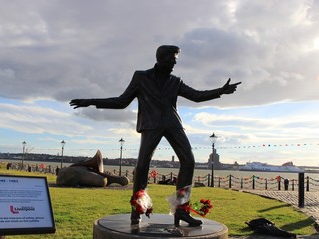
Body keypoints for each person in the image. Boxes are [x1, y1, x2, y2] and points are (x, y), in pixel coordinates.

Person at [70, 45, 241, 226]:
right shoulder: (141, 77)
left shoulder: (176, 81)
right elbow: (121, 102)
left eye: (176, 60)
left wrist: (220, 91)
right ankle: (137, 209)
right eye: (172, 59)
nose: (174, 63)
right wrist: (90, 101)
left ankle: (181, 210)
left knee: (189, 161)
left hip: (173, 124)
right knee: (142, 166)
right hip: (150, 125)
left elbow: (196, 96)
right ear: (161, 58)